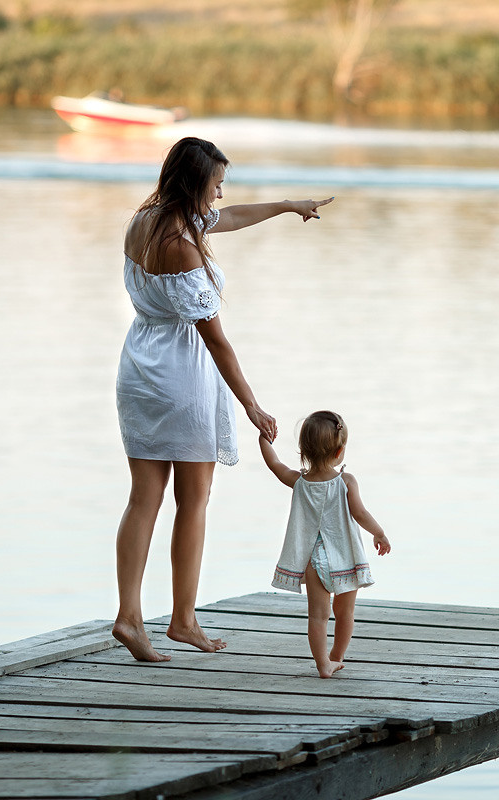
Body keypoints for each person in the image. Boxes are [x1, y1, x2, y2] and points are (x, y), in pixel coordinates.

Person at [113, 136, 334, 662]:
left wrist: (287, 206)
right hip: (181, 377)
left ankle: (129, 617)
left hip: (139, 366)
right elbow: (216, 341)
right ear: (194, 184)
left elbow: (230, 218)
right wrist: (252, 406)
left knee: (143, 498)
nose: (219, 195)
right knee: (194, 500)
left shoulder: (145, 221)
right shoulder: (183, 245)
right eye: (214, 185)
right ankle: (183, 620)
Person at [258, 411, 391, 677]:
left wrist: (264, 438)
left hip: (313, 560)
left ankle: (323, 665)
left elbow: (274, 464)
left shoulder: (298, 482)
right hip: (344, 559)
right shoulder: (346, 481)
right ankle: (336, 657)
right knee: (345, 612)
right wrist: (379, 533)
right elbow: (360, 513)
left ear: (303, 450)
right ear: (339, 451)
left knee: (318, 617)